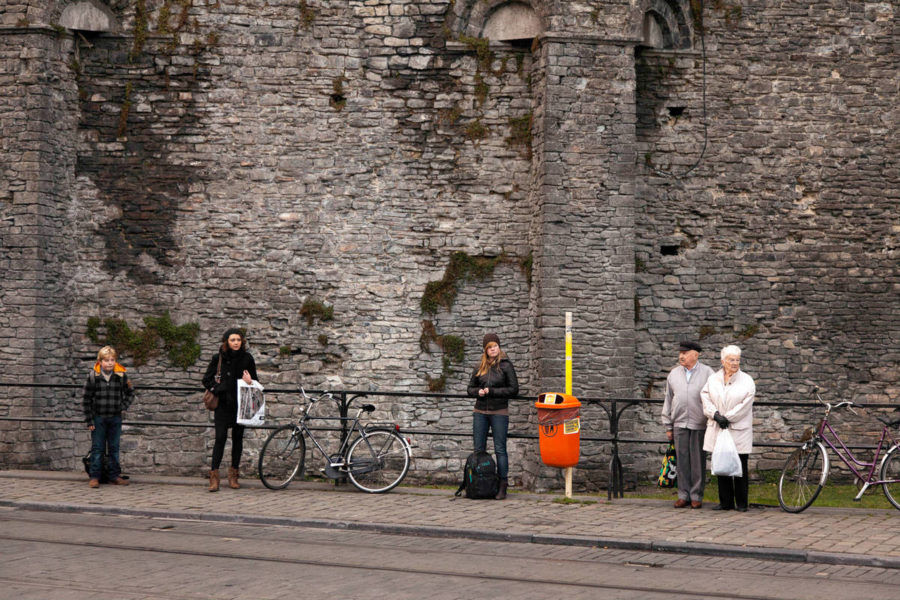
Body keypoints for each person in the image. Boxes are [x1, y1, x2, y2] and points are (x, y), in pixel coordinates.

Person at [202, 328, 258, 492]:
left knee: (238, 439)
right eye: (232, 340)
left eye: (238, 340)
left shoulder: (247, 358)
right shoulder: (218, 358)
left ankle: (234, 475)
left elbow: (256, 382)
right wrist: (218, 388)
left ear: (242, 342)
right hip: (223, 405)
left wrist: (250, 381)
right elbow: (206, 379)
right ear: (227, 341)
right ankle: (214, 477)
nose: (236, 343)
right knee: (220, 438)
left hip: (241, 405)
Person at [701, 344, 756, 512]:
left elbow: (745, 404)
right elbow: (705, 397)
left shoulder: (747, 380)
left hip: (737, 429)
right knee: (722, 463)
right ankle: (725, 502)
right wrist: (715, 414)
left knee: (740, 465)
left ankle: (741, 503)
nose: (735, 363)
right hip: (718, 426)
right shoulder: (713, 379)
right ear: (723, 361)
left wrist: (728, 417)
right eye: (731, 360)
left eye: (737, 360)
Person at [661, 341, 714, 509]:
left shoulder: (708, 373)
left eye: (685, 353)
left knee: (698, 461)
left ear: (695, 354)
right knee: (682, 461)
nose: (681, 356)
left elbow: (714, 397)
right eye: (680, 353)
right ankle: (683, 495)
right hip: (679, 422)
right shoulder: (674, 374)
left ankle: (696, 495)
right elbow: (668, 399)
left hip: (700, 423)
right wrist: (668, 425)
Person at [466, 333, 519, 500]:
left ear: (499, 347)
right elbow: (470, 388)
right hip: (480, 412)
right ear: (485, 350)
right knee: (478, 449)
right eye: (489, 347)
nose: (493, 349)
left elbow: (514, 389)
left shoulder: (506, 365)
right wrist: (478, 392)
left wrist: (493, 391)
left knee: (500, 450)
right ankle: (478, 484)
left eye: (495, 346)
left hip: (499, 412)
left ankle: (502, 485)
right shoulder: (479, 366)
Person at [83, 346, 134, 488]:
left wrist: (122, 407)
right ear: (100, 361)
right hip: (98, 417)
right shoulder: (93, 376)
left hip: (115, 417)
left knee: (114, 448)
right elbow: (86, 399)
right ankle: (95, 476)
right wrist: (89, 420)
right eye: (106, 360)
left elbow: (130, 393)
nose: (110, 363)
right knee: (97, 448)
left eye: (112, 360)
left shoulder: (120, 376)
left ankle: (114, 475)